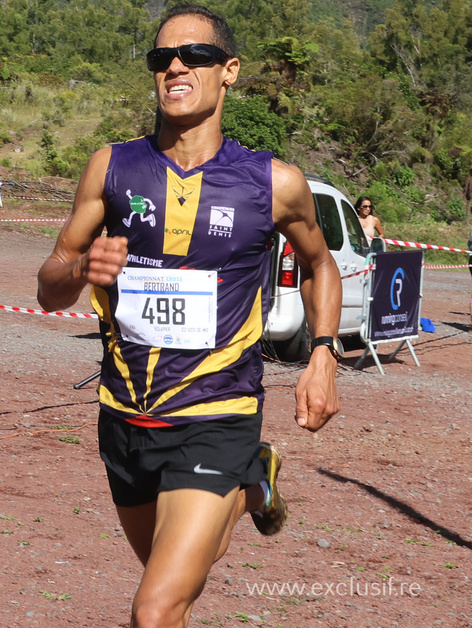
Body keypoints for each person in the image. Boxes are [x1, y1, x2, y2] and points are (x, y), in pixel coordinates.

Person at [37, 6, 342, 627]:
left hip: (217, 412)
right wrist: (83, 268)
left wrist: (323, 355)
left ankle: (242, 468)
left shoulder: (274, 183)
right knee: (175, 586)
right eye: (162, 58)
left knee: (155, 609)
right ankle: (253, 481)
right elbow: (50, 288)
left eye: (195, 55)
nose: (175, 66)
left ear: (229, 70)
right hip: (124, 416)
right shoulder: (112, 167)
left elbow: (321, 264)